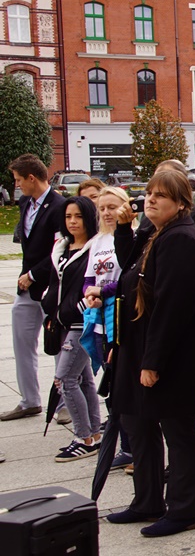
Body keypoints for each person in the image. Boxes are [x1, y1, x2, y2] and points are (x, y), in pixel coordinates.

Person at [107, 170, 195, 538]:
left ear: (182, 203)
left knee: (178, 430)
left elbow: (173, 306)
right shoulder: (158, 234)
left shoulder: (181, 238)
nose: (150, 200)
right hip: (143, 347)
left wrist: (153, 362)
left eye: (161, 196)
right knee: (139, 422)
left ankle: (184, 509)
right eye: (149, 194)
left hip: (175, 355)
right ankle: (147, 500)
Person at [3, 155, 66, 422]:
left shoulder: (60, 206)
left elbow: (59, 250)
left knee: (58, 346)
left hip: (51, 287)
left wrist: (32, 274)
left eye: (18, 180)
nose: (16, 185)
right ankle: (30, 400)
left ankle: (64, 403)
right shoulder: (25, 203)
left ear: (31, 178)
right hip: (26, 287)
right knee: (21, 342)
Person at [43, 196, 104, 462]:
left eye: (78, 216)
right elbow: (56, 285)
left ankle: (83, 437)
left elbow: (93, 286)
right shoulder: (62, 247)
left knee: (64, 379)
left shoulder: (95, 249)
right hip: (63, 322)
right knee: (84, 378)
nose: (72, 222)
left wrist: (74, 308)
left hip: (83, 321)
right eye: (68, 217)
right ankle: (93, 433)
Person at [82, 186, 132, 469]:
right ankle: (125, 445)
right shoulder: (98, 241)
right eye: (102, 208)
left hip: (120, 321)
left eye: (112, 206)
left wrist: (103, 292)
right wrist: (90, 294)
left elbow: (127, 276)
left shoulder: (129, 237)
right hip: (100, 322)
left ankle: (131, 446)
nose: (106, 212)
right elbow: (89, 277)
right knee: (112, 389)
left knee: (122, 387)